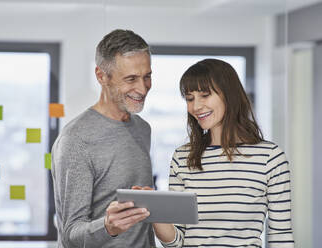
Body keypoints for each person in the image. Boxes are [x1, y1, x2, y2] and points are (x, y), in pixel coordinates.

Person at [152, 59, 294, 247]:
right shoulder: (182, 158)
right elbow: (177, 242)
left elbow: (281, 235)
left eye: (205, 95)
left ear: (229, 95)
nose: (196, 106)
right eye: (190, 98)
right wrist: (154, 210)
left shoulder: (270, 158)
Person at [51, 29, 156, 248]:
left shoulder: (143, 128)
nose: (142, 88)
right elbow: (71, 234)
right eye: (131, 79)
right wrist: (108, 227)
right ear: (101, 76)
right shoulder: (76, 139)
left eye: (147, 76)